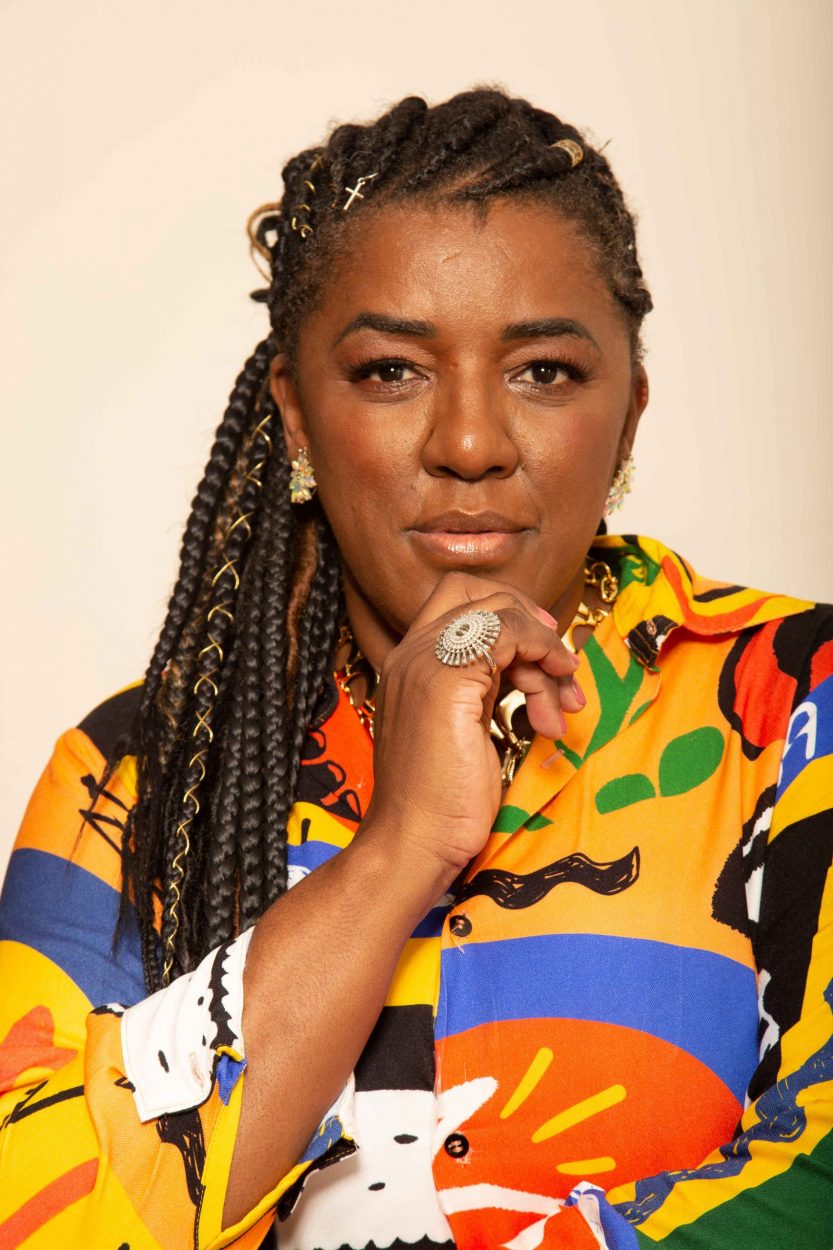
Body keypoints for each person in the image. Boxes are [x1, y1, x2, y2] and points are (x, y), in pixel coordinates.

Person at [0, 86, 830, 1250]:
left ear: (629, 414)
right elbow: (35, 1216)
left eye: (544, 371)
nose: (470, 443)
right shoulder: (137, 776)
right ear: (296, 414)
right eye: (391, 370)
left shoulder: (791, 703)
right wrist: (396, 850)